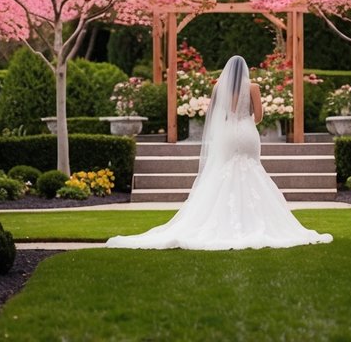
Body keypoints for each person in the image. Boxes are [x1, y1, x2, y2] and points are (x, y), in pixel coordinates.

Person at [105, 54, 333, 250]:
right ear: (243, 70)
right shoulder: (253, 87)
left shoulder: (218, 87)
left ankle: (222, 218)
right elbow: (260, 117)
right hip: (246, 131)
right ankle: (251, 220)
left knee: (225, 170)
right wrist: (247, 117)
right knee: (251, 168)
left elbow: (214, 115)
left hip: (226, 133)